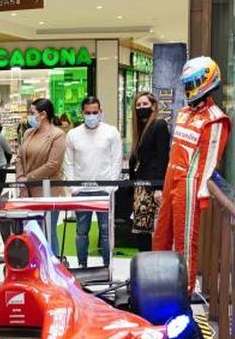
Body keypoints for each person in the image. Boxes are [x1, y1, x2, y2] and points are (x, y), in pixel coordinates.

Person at [153, 56, 231, 295]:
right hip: (171, 176)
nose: (188, 89)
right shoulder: (184, 112)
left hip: (190, 181)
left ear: (205, 82)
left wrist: (202, 194)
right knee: (161, 232)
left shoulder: (216, 119)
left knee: (185, 240)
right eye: (186, 84)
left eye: (191, 83)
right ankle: (155, 279)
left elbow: (210, 161)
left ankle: (183, 290)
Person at [64, 95, 122, 267]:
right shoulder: (73, 134)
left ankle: (107, 267)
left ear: (100, 112)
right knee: (81, 232)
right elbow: (68, 163)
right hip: (81, 191)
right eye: (88, 112)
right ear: (82, 113)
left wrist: (111, 188)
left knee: (106, 232)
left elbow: (116, 160)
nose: (91, 115)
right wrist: (73, 189)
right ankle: (82, 265)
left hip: (105, 191)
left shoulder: (111, 132)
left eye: (95, 112)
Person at [14, 98, 67, 255]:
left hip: (48, 193)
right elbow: (19, 157)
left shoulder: (57, 135)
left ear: (43, 114)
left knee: (48, 232)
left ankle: (53, 268)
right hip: (27, 192)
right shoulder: (29, 133)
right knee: (31, 232)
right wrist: (20, 179)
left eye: (32, 113)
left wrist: (28, 178)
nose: (29, 117)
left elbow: (53, 164)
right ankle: (35, 270)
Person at [128, 92, 171, 251]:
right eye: (138, 105)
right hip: (140, 187)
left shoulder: (159, 125)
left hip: (153, 187)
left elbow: (162, 158)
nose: (141, 108)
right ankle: (143, 266)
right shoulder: (140, 130)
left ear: (153, 106)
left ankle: (151, 268)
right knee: (140, 230)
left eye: (145, 104)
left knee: (150, 231)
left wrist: (159, 187)